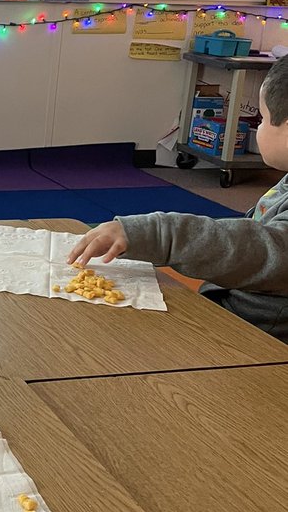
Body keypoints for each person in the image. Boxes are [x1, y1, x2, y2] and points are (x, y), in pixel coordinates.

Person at [67, 53, 288, 341]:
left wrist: (158, 233)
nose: (257, 129)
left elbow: (263, 249)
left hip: (255, 339)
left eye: (263, 119)